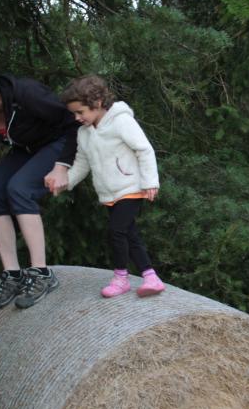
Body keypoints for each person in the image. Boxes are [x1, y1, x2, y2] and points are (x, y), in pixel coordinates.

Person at [0, 57, 78, 309]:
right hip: (27, 150)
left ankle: (41, 273)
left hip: (59, 144)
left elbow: (73, 122)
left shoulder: (26, 94)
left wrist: (62, 165)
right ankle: (12, 274)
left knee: (18, 189)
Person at [51, 75, 166, 297]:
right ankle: (151, 277)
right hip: (109, 193)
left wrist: (150, 181)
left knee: (117, 231)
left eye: (80, 112)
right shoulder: (84, 133)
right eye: (73, 113)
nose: (76, 118)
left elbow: (144, 149)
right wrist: (65, 182)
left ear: (97, 103)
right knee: (130, 234)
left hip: (131, 187)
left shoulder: (121, 121)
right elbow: (82, 163)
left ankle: (121, 277)